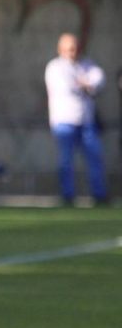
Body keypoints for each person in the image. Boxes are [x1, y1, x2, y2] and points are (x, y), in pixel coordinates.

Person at [44, 33, 108, 205]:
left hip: (86, 122)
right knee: (66, 161)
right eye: (69, 49)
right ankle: (67, 196)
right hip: (64, 122)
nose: (73, 52)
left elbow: (99, 78)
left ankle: (99, 195)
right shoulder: (55, 67)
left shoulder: (86, 64)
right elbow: (68, 87)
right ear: (60, 49)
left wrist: (86, 83)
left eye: (75, 48)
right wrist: (86, 84)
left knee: (95, 158)